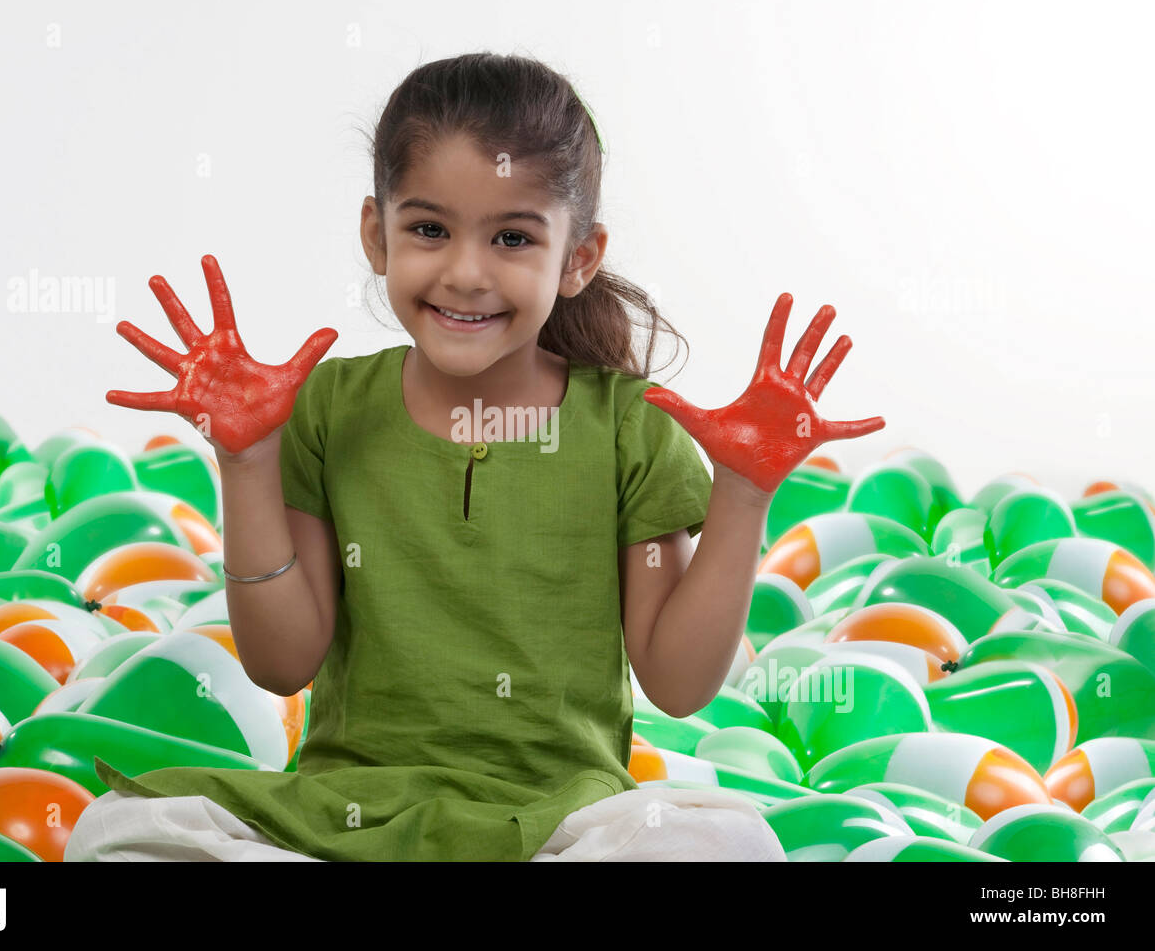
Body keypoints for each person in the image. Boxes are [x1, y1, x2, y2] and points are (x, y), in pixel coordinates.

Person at [65, 51, 884, 862]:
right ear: (374, 236)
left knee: (728, 843)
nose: (465, 272)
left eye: (512, 238)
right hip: (346, 820)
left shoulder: (628, 426)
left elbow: (676, 682)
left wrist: (743, 493)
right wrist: (245, 462)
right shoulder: (326, 409)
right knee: (116, 831)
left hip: (557, 824)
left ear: (578, 260)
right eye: (428, 229)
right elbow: (282, 666)